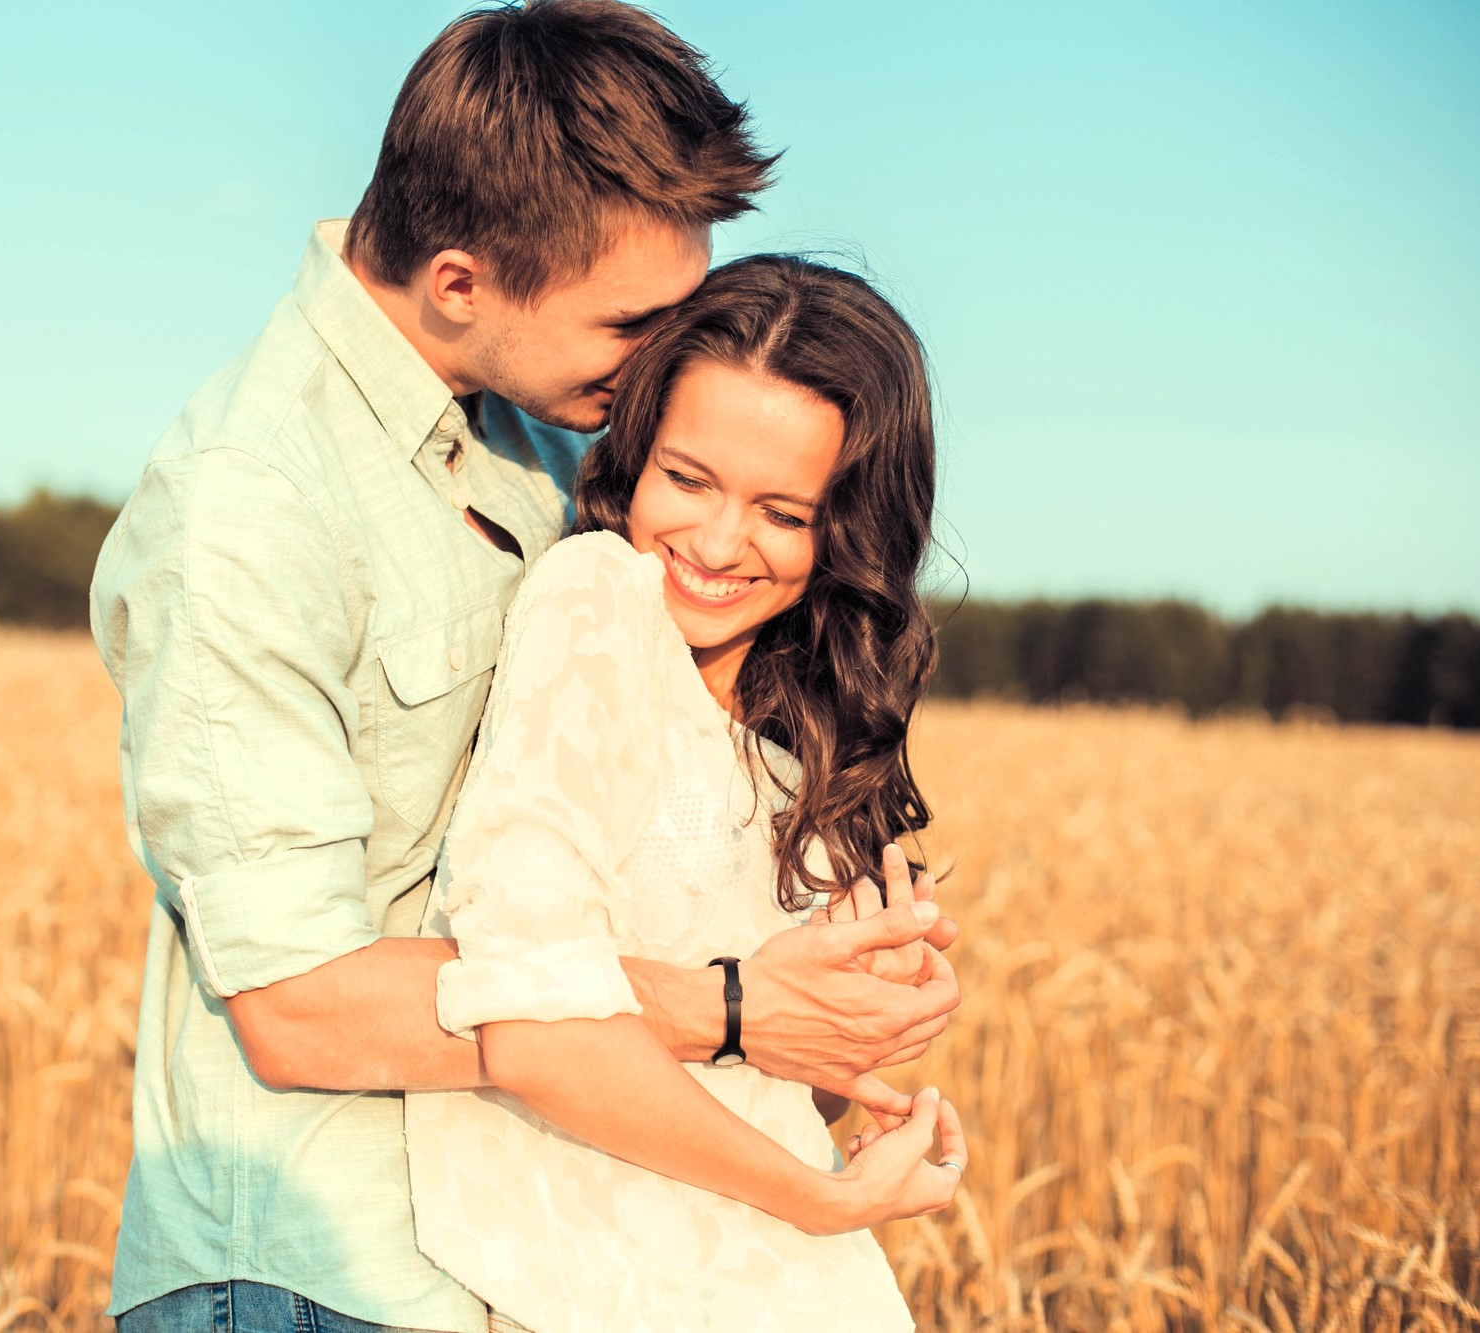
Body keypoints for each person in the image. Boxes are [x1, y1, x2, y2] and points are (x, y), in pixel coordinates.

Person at [89, 5, 961, 1330]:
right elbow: (300, 1007)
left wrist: (826, 978)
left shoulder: (562, 439)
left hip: (531, 1264)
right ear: (459, 280)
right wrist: (732, 1010)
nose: (666, 359)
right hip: (312, 1276)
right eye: (634, 321)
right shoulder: (246, 510)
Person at [405, 255, 964, 1333]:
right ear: (634, 456)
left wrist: (855, 1023)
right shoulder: (594, 600)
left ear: (846, 530)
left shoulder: (787, 737)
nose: (714, 544)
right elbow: (531, 1019)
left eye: (781, 512)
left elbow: (760, 1076)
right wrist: (821, 1195)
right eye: (688, 479)